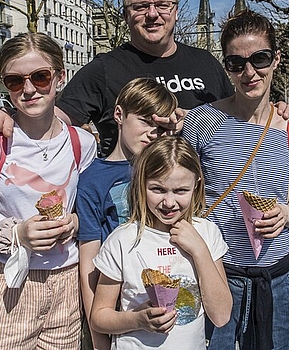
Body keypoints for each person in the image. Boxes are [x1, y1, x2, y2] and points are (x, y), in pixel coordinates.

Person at [0, 0, 235, 159]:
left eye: (162, 5)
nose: (152, 14)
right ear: (126, 15)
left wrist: (274, 110)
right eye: (141, 7)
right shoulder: (105, 68)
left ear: (175, 11)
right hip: (129, 204)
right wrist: (5, 115)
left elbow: (240, 121)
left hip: (200, 199)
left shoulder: (205, 62)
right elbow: (52, 118)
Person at [0, 32, 98, 349]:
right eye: (15, 81)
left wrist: (74, 224)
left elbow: (90, 213)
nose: (29, 89)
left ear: (60, 76)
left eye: (40, 77)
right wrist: (18, 236)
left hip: (68, 286)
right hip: (9, 286)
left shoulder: (82, 144)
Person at [182, 10, 289, 350]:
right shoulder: (200, 124)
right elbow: (182, 198)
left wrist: (285, 215)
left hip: (275, 279)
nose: (250, 72)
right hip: (217, 274)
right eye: (237, 63)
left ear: (276, 59)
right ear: (226, 67)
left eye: (260, 58)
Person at [90, 136, 232, 349]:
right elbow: (99, 317)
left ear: (196, 185)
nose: (169, 202)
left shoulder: (206, 232)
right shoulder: (122, 240)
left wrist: (199, 250)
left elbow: (221, 315)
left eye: (180, 191)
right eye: (157, 189)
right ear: (141, 184)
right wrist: (137, 320)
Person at [78, 77, 178, 349]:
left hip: (170, 300)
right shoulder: (93, 180)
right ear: (119, 114)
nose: (151, 133)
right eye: (145, 121)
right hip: (118, 310)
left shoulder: (167, 171)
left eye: (159, 127)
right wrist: (98, 337)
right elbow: (88, 263)